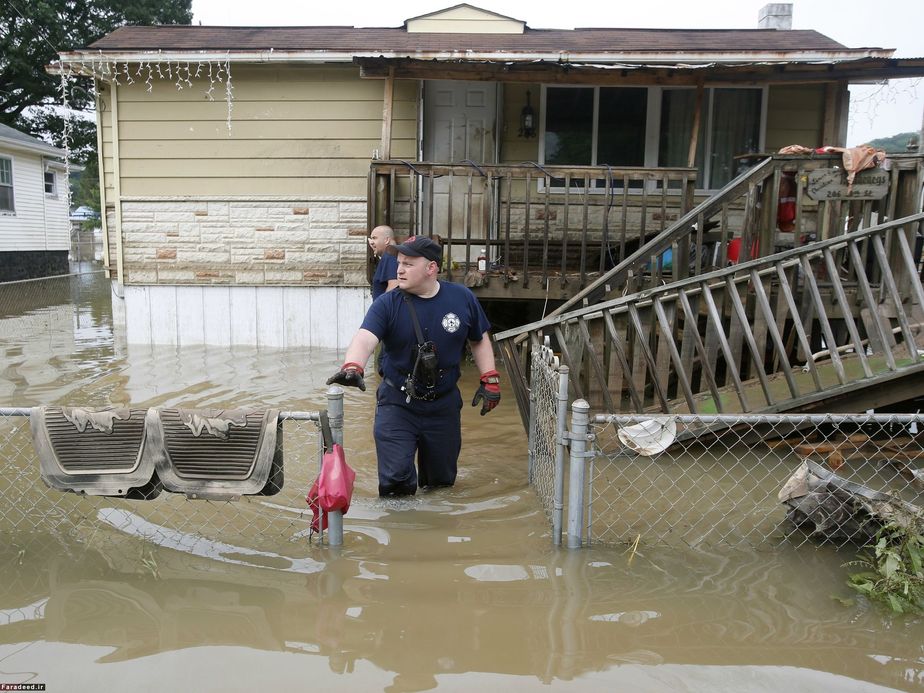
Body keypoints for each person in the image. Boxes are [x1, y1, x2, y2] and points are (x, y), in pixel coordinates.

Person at [327, 236, 501, 496]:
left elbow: (479, 339)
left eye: (408, 264)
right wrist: (354, 366)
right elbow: (364, 338)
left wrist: (490, 379)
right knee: (396, 482)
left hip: (443, 405)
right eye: (399, 263)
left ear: (431, 268)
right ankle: (399, 530)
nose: (399, 269)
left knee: (441, 484)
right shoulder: (387, 304)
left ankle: (435, 531)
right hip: (397, 403)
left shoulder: (462, 298)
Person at [368, 225, 398, 300]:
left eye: (374, 238)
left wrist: (382, 308)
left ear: (387, 240)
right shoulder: (389, 255)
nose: (371, 243)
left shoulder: (390, 255)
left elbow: (394, 286)